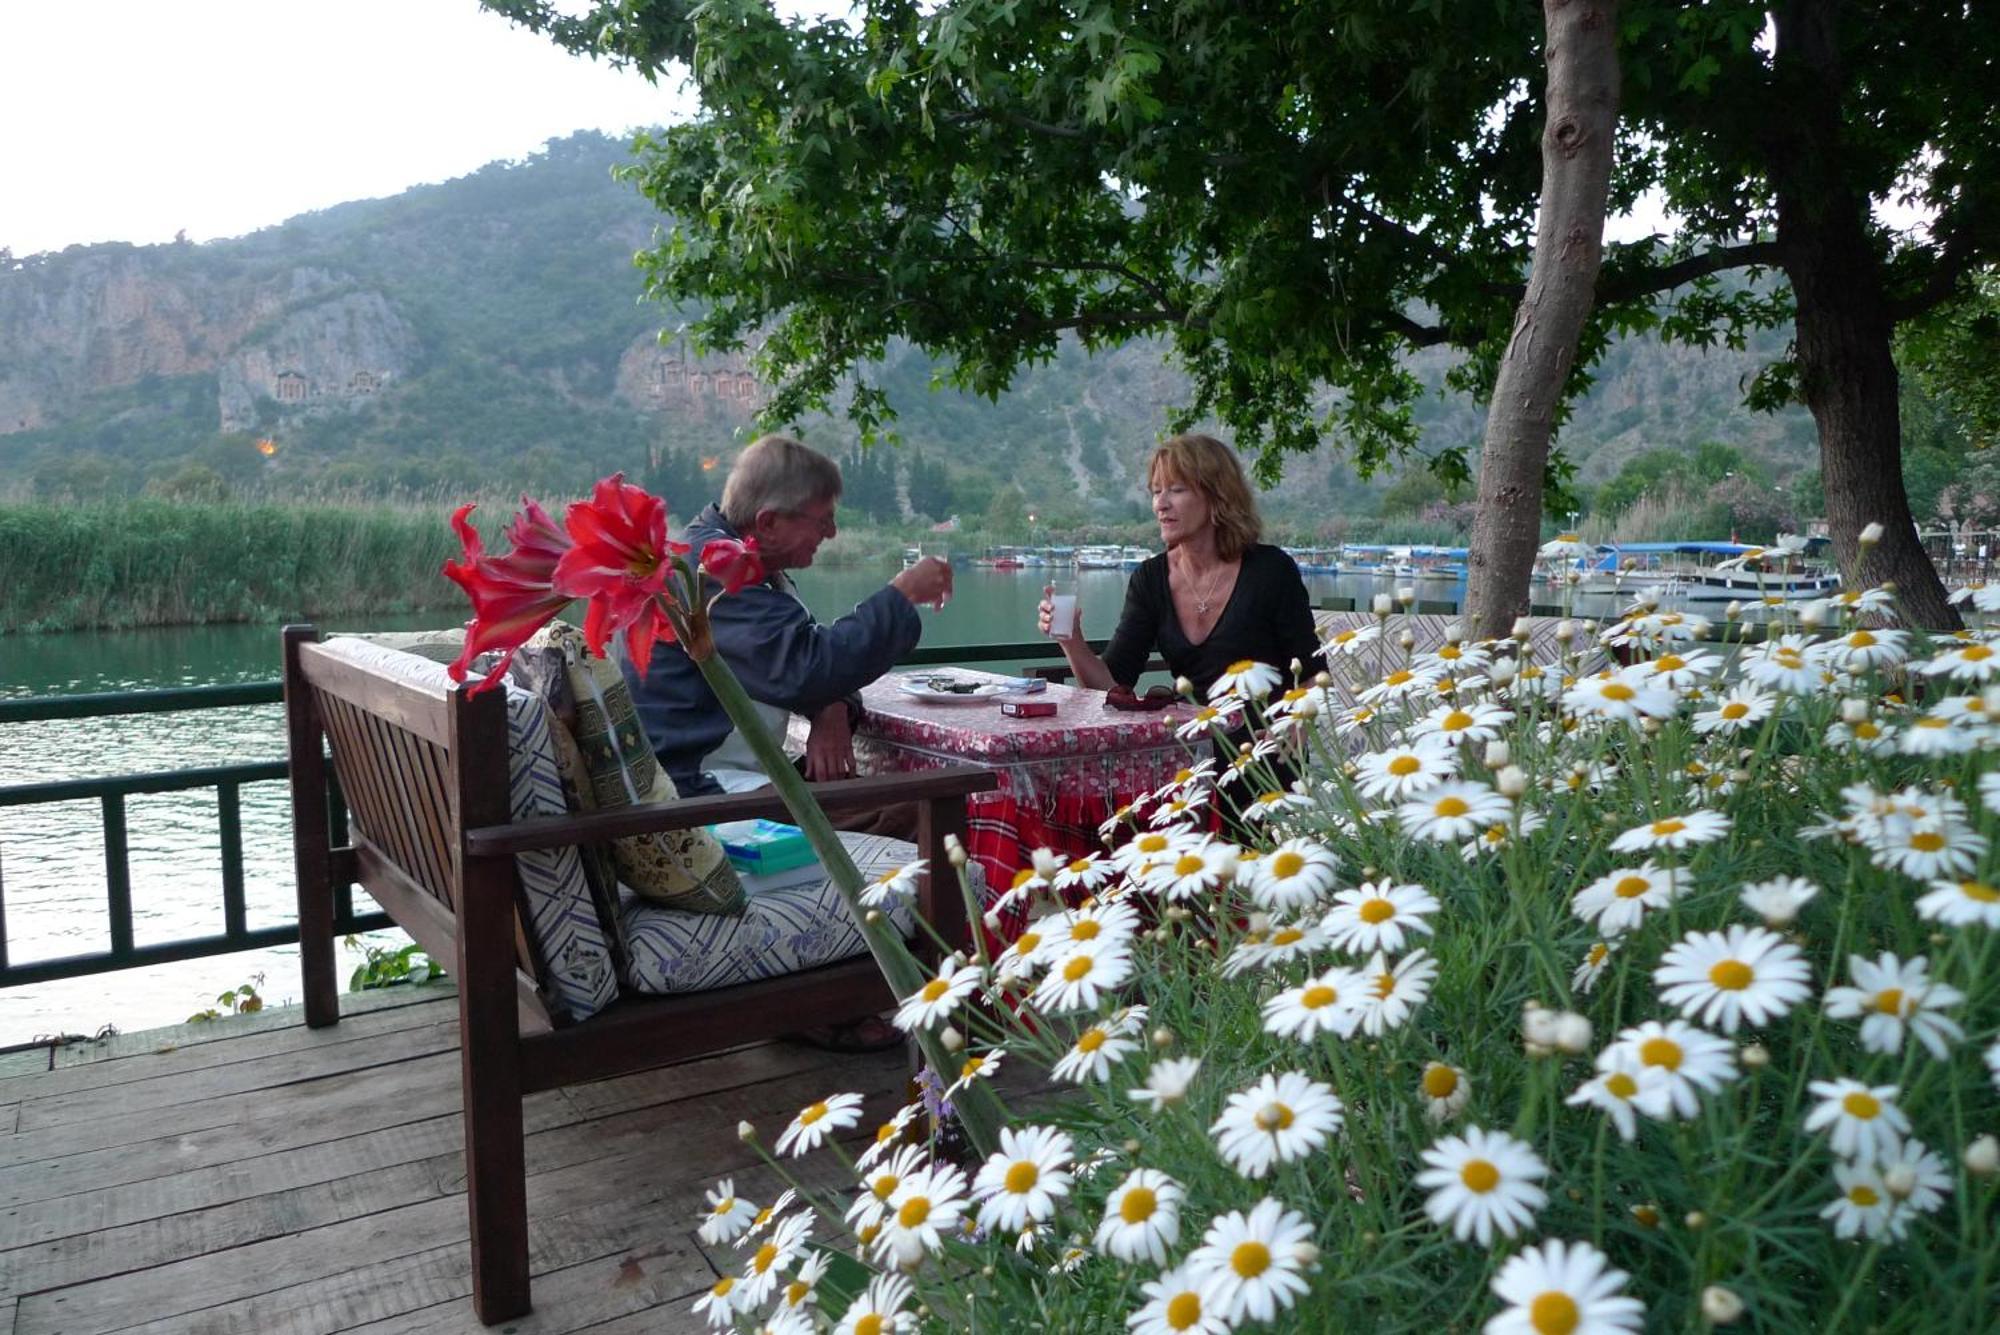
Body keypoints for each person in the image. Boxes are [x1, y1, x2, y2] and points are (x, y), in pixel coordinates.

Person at [624, 433, 953, 805]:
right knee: (918, 814)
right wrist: (902, 594)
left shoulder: (752, 566)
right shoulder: (712, 572)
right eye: (823, 520)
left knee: (890, 800)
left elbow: (809, 651)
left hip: (736, 776)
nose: (831, 533)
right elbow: (804, 669)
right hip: (693, 788)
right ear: (768, 523)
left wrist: (832, 706)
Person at [1039, 433, 1323, 702]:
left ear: (1218, 496)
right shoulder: (1149, 579)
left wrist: (1292, 728)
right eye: (1156, 492)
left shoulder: (1270, 570)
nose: (1160, 505)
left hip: (1261, 744)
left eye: (1176, 490)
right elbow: (1111, 686)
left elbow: (1314, 674)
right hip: (1185, 744)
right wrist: (1071, 639)